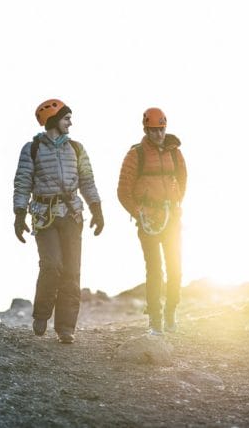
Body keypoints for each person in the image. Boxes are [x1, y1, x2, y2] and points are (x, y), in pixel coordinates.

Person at [13, 99, 104, 344]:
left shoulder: (76, 149)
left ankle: (65, 328)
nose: (70, 123)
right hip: (44, 217)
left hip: (72, 215)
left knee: (72, 271)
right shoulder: (31, 149)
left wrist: (97, 209)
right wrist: (19, 215)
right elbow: (22, 182)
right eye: (66, 118)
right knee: (52, 265)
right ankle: (42, 315)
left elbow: (87, 181)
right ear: (53, 120)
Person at [117, 107, 187, 336]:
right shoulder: (135, 155)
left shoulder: (175, 152)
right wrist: (139, 213)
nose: (158, 134)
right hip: (148, 221)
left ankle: (171, 312)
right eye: (154, 130)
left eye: (162, 129)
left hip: (171, 218)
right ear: (146, 129)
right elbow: (123, 190)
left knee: (175, 268)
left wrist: (176, 201)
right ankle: (155, 320)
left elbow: (183, 178)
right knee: (155, 270)